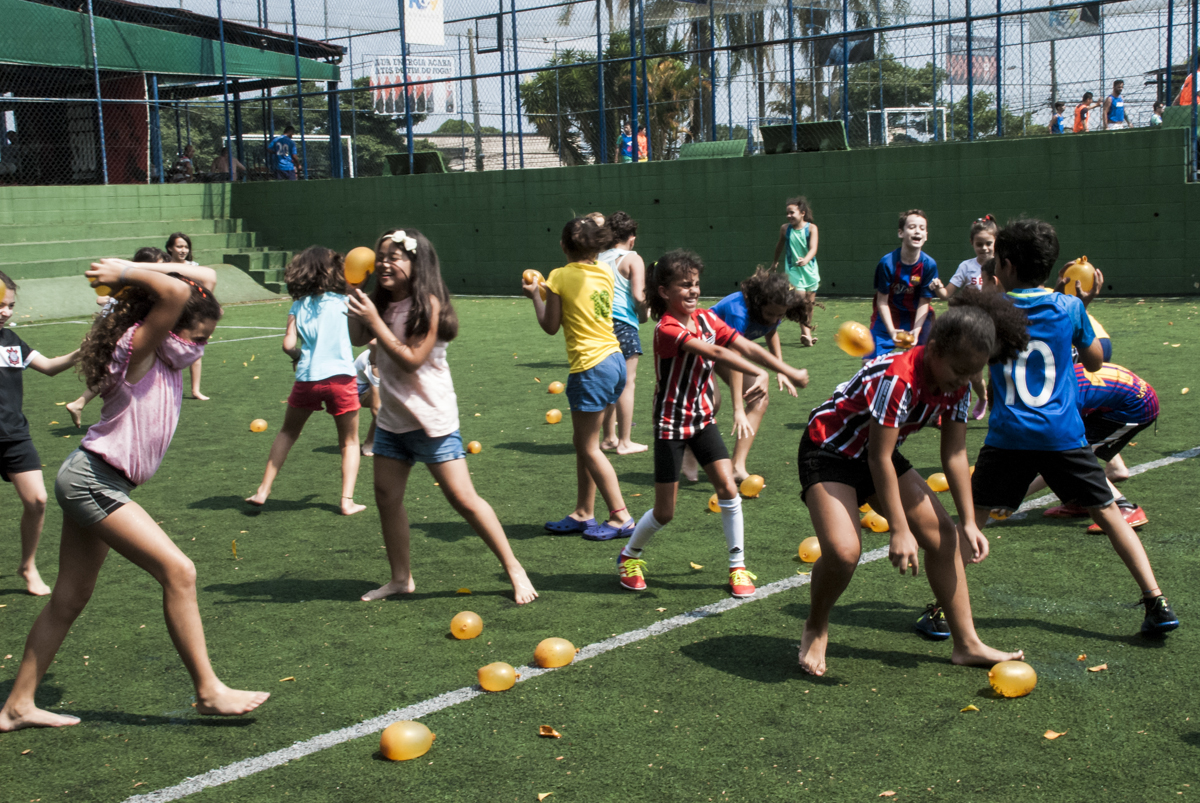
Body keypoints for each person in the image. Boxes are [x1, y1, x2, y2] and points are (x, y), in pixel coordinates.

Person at [0, 260, 269, 731]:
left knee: (69, 598)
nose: (199, 348)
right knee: (179, 571)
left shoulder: (163, 350)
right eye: (197, 339)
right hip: (93, 480)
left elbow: (201, 277)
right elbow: (175, 294)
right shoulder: (139, 348)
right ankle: (208, 691)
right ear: (165, 326)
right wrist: (125, 269)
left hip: (100, 479)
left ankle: (18, 705)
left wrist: (140, 267)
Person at [796, 289, 1029, 675]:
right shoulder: (898, 377)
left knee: (945, 536)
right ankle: (816, 626)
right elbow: (878, 457)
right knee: (843, 552)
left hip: (876, 453)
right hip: (831, 450)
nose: (962, 383)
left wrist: (969, 521)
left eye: (972, 374)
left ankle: (967, 644)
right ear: (934, 349)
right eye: (958, 372)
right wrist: (899, 530)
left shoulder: (957, 381)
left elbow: (954, 455)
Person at [970, 218, 1178, 634]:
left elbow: (974, 357)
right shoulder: (1070, 306)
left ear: (1006, 265)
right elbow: (1096, 361)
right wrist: (1084, 305)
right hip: (1062, 434)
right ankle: (1156, 603)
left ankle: (941, 608)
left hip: (1008, 437)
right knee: (1111, 516)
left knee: (972, 525)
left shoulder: (992, 311)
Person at [348, 228, 536, 604]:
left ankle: (514, 567)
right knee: (386, 496)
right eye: (380, 255)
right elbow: (356, 336)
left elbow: (411, 359)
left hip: (431, 420)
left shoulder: (429, 305)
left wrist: (375, 320)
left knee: (463, 499)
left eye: (394, 256)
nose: (384, 262)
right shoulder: (377, 303)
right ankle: (401, 578)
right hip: (392, 420)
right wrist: (356, 294)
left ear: (417, 265)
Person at [616, 251, 810, 599]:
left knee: (728, 489)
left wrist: (786, 369)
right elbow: (718, 354)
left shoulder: (706, 318)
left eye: (696, 284)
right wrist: (762, 372)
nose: (693, 291)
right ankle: (629, 556)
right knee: (665, 512)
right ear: (664, 292)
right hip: (671, 426)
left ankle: (737, 566)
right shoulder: (668, 329)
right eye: (684, 285)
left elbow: (743, 343)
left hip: (702, 420)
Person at [523, 216, 635, 541]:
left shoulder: (558, 276)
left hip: (590, 366)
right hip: (614, 361)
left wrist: (536, 294)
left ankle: (621, 516)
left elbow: (550, 325)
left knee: (588, 447)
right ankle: (584, 512)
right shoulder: (605, 273)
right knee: (583, 444)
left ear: (562, 246)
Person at [246, 247, 367, 516]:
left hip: (307, 379)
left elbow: (288, 344)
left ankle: (263, 490)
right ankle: (347, 501)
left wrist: (300, 355)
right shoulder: (346, 300)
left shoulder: (298, 306)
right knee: (349, 442)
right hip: (342, 379)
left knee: (288, 433)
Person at [0, 271, 79, 597]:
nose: (6, 311)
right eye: (1, 305)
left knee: (38, 500)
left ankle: (27, 566)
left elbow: (49, 366)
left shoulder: (12, 341)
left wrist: (85, 349)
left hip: (14, 435)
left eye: (10, 305)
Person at [709, 266, 810, 481]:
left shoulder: (775, 310)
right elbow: (735, 359)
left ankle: (737, 467)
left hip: (725, 352)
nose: (774, 319)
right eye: (770, 313)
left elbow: (770, 332)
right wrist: (737, 408)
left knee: (759, 400)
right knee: (711, 404)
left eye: (779, 315)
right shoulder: (739, 311)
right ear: (758, 303)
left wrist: (780, 370)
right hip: (702, 346)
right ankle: (690, 448)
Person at [1039, 362, 1157, 532]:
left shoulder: (1063, 396)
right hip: (1131, 399)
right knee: (1066, 450)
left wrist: (1013, 497)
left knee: (1069, 456)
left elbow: (1060, 457)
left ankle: (1126, 507)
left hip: (1135, 407)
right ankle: (1083, 499)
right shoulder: (1065, 379)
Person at [67, 247, 174, 428]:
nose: (162, 270)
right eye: (159, 266)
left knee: (113, 373)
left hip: (110, 331)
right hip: (118, 334)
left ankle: (81, 404)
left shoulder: (129, 285)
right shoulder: (140, 290)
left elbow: (102, 299)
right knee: (121, 374)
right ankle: (85, 405)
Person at [931, 214, 997, 418]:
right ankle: (984, 397)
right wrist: (938, 287)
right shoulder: (966, 267)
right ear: (972, 243)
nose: (984, 248)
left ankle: (998, 409)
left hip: (997, 323)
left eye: (989, 243)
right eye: (979, 244)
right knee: (975, 374)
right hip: (974, 326)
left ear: (996, 242)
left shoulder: (1002, 265)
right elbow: (946, 295)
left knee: (997, 371)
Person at [598, 211, 649, 455]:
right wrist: (647, 310)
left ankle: (609, 438)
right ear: (632, 237)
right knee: (627, 383)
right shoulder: (632, 258)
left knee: (610, 384)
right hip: (624, 325)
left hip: (600, 326)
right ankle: (625, 442)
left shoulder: (598, 258)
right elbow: (639, 296)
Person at [868, 209, 937, 359]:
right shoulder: (887, 263)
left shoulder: (929, 265)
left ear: (926, 236)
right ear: (901, 233)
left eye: (922, 228)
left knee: (928, 361)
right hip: (889, 316)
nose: (917, 231)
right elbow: (882, 302)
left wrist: (917, 331)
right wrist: (892, 330)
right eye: (912, 227)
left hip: (918, 317)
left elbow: (924, 302)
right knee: (868, 363)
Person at [770, 196, 820, 346]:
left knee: (809, 304)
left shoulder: (812, 228)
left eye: (792, 212)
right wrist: (774, 262)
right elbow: (779, 245)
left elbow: (813, 248)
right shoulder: (785, 229)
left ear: (802, 213)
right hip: (793, 271)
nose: (789, 216)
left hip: (810, 271)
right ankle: (805, 333)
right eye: (787, 213)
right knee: (801, 301)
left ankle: (808, 333)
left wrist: (805, 260)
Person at [166, 233, 208, 401]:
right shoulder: (165, 267)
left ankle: (195, 390)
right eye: (179, 246)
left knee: (195, 351)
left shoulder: (194, 267)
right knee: (167, 352)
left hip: (191, 313)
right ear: (170, 248)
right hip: (171, 313)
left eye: (185, 247)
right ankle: (166, 389)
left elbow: (203, 288)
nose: (183, 250)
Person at [355, 341, 380, 456]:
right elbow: (376, 408)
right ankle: (370, 442)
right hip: (357, 392)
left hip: (380, 385)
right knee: (386, 404)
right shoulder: (373, 359)